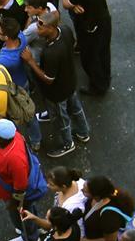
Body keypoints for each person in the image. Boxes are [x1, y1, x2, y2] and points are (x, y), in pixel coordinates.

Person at [22, 11, 90, 157]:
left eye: (41, 27)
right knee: (76, 108)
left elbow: (48, 79)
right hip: (70, 81)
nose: (37, 30)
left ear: (51, 28)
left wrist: (31, 61)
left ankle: (67, 144)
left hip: (57, 92)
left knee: (61, 119)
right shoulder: (65, 30)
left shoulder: (51, 52)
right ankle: (83, 133)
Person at [0, 119, 45, 241]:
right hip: (11, 190)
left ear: (0, 139)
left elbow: (20, 187)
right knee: (29, 209)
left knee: (20, 214)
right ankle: (36, 226)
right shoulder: (14, 135)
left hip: (14, 196)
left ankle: (30, 238)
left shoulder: (15, 160)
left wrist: (12, 203)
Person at [63, 0, 112, 96]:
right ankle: (105, 77)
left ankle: (98, 87)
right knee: (103, 53)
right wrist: (74, 5)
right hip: (103, 20)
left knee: (90, 58)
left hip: (91, 27)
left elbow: (65, 2)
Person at [80, 176, 135, 241]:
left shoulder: (109, 216)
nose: (81, 190)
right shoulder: (97, 199)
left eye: (85, 190)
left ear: (96, 195)